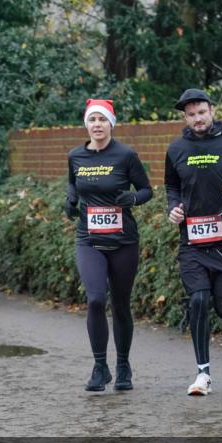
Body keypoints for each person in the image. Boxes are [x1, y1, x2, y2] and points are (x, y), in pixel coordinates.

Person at [165, 88, 222, 397]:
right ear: (185, 117)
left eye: (201, 112)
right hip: (192, 242)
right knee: (199, 300)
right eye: (191, 114)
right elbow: (171, 186)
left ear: (211, 111)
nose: (197, 118)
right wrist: (174, 208)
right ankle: (203, 374)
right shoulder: (177, 148)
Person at [64, 99, 152, 392]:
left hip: (123, 239)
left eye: (102, 120)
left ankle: (123, 365)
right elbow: (73, 183)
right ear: (86, 125)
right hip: (88, 238)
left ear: (111, 124)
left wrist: (133, 199)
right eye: (92, 120)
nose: (97, 125)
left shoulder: (126, 155)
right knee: (96, 299)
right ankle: (100, 366)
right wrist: (71, 201)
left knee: (121, 304)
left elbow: (146, 190)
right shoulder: (76, 155)